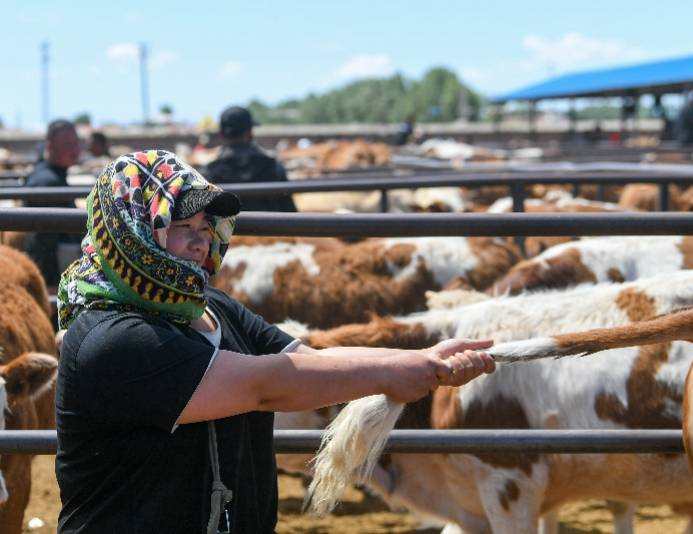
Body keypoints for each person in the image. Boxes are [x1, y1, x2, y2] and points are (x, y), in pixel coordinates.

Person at [55, 150, 495, 534]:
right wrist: (392, 374)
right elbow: (265, 384)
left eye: (205, 225)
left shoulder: (212, 308)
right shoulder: (112, 339)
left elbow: (307, 358)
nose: (200, 241)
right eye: (179, 226)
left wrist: (420, 359)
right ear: (129, 230)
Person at [202, 106, 297, 212]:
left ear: (221, 134)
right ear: (249, 132)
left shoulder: (208, 173)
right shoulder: (273, 168)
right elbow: (289, 210)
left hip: (226, 229)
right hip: (268, 228)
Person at [24, 119, 82, 286]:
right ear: (50, 146)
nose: (75, 149)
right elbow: (43, 243)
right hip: (53, 276)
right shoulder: (46, 182)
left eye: (76, 143)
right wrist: (48, 283)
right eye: (67, 144)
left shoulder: (52, 176)